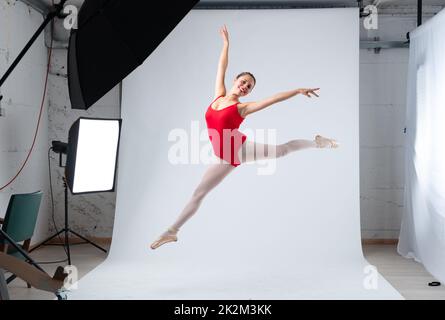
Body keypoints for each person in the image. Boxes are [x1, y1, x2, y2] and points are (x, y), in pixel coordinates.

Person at [150, 25, 338, 250]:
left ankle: (318, 143)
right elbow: (221, 67)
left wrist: (297, 90)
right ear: (235, 81)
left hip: (238, 149)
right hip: (223, 155)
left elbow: (273, 99)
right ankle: (171, 232)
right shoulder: (218, 95)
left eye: (249, 86)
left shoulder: (242, 108)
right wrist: (226, 45)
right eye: (244, 81)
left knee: (283, 150)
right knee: (199, 193)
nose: (246, 86)